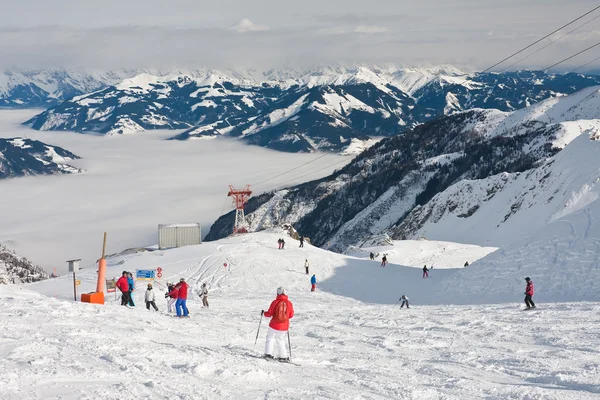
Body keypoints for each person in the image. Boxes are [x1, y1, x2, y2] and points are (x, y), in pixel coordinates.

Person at [262, 287, 294, 361]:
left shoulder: (275, 302)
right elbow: (291, 315)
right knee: (280, 339)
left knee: (270, 338)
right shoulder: (289, 303)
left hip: (274, 324)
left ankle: (268, 354)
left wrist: (264, 313)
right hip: (284, 325)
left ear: (278, 293)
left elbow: (269, 313)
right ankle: (283, 356)